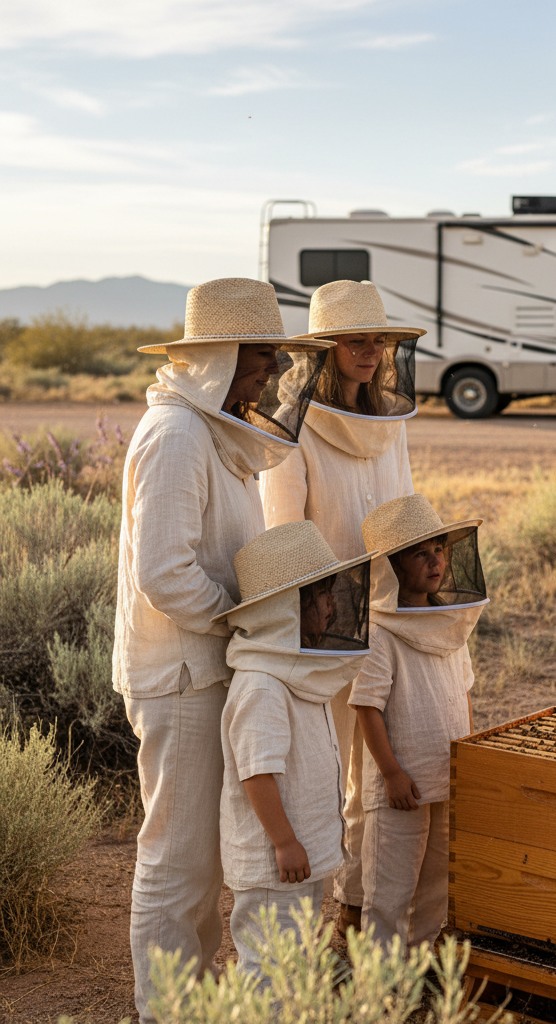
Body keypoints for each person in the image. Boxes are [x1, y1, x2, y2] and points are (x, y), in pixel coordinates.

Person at [113, 278, 334, 1022]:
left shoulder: (211, 431)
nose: (272, 376)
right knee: (178, 861)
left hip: (208, 667)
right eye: (261, 359)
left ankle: (191, 1001)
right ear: (218, 358)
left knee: (202, 858)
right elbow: (164, 574)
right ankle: (163, 1009)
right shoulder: (176, 436)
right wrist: (243, 625)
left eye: (275, 360)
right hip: (180, 675)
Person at [259, 279, 424, 933]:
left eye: (378, 339)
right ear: (324, 349)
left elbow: (406, 514)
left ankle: (354, 915)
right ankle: (303, 921)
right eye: (356, 339)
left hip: (387, 618)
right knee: (320, 775)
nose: (371, 350)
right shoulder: (289, 428)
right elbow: (285, 534)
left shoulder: (392, 425)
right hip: (322, 624)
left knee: (374, 775)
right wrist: (314, 613)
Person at [215, 520, 372, 981]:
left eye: (330, 593)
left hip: (294, 860)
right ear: (286, 608)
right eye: (321, 596)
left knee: (293, 961)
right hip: (273, 865)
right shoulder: (262, 685)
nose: (332, 605)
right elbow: (257, 774)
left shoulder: (295, 672)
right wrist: (284, 842)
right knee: (267, 967)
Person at [348, 493, 487, 949]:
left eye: (440, 550)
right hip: (400, 786)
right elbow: (367, 706)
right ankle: (381, 987)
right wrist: (390, 773)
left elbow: (463, 692)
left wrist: (467, 762)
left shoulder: (451, 622)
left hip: (447, 774)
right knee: (389, 887)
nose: (436, 562)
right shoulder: (381, 630)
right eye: (420, 554)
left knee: (436, 883)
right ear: (393, 566)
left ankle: (421, 967)